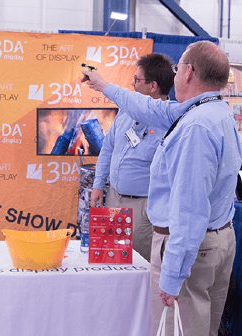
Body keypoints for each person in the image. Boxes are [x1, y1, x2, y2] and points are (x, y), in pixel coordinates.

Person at [82, 41, 242, 336]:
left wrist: (172, 277)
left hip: (192, 249)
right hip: (216, 241)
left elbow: (190, 209)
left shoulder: (195, 128)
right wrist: (103, 84)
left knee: (177, 330)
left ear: (189, 72)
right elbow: (143, 105)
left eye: (177, 67)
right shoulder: (209, 112)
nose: (176, 73)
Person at [91, 52, 175, 262]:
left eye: (137, 80)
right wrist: (98, 184)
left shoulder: (170, 123)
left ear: (153, 86)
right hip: (113, 197)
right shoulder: (126, 111)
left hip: (143, 207)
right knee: (110, 259)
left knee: (139, 265)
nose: (132, 84)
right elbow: (108, 147)